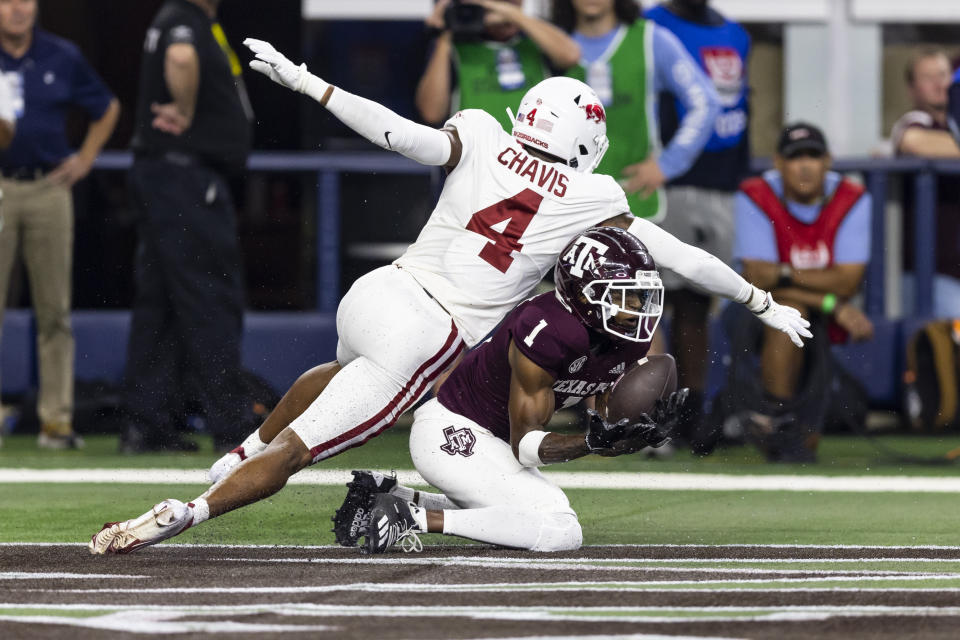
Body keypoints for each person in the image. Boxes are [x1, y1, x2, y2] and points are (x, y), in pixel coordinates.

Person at [88, 41, 809, 555]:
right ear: (587, 140)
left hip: (377, 292)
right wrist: (757, 299)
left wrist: (311, 85)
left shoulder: (483, 130)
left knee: (337, 375)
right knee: (304, 450)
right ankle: (190, 511)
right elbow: (673, 252)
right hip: (430, 337)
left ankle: (234, 454)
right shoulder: (593, 195)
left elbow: (403, 137)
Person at [334, 227, 687, 553]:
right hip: (453, 433)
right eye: (624, 297)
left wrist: (636, 435)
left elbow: (606, 437)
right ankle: (410, 519)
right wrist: (591, 441)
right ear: (583, 295)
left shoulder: (626, 339)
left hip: (493, 441)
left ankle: (388, 495)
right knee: (560, 528)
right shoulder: (548, 328)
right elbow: (528, 447)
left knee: (517, 509)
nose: (638, 309)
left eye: (641, 296)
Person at [118, 0, 253, 453]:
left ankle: (146, 424)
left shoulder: (183, 19)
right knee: (210, 297)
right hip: (185, 179)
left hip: (164, 176)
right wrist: (185, 109)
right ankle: (232, 425)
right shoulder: (182, 20)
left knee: (160, 303)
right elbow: (180, 57)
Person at [0, 0, 119, 449]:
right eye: (8, 1)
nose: (18, 10)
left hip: (49, 188)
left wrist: (85, 159)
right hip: (0, 184)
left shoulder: (60, 55)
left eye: (26, 1)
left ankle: (57, 421)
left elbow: (106, 107)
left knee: (54, 309)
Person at [726, 122, 873, 462]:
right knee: (791, 311)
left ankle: (780, 422)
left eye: (813, 155)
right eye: (795, 157)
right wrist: (829, 300)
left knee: (795, 309)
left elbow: (847, 281)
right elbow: (756, 279)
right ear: (778, 163)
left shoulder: (852, 198)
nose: (805, 165)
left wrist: (784, 273)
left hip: (823, 316)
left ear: (828, 161)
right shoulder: (754, 194)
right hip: (753, 312)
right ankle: (778, 421)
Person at [643, 0, 750, 444]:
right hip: (670, 180)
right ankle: (645, 409)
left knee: (697, 304)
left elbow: (741, 107)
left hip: (723, 183)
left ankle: (694, 410)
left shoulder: (736, 33)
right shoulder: (651, 25)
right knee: (650, 301)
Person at [552, 0, 719, 221]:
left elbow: (705, 102)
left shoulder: (650, 39)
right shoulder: (549, 44)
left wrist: (667, 164)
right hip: (564, 208)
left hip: (635, 206)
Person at [415, 0, 580, 130]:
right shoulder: (455, 47)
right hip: (476, 164)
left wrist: (515, 15)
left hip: (532, 164)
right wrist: (445, 33)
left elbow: (571, 56)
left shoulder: (537, 42)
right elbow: (431, 113)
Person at [890, 48, 960, 319]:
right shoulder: (915, 123)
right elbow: (913, 141)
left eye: (943, 74)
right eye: (928, 77)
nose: (939, 83)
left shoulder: (953, 127)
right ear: (911, 88)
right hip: (927, 273)